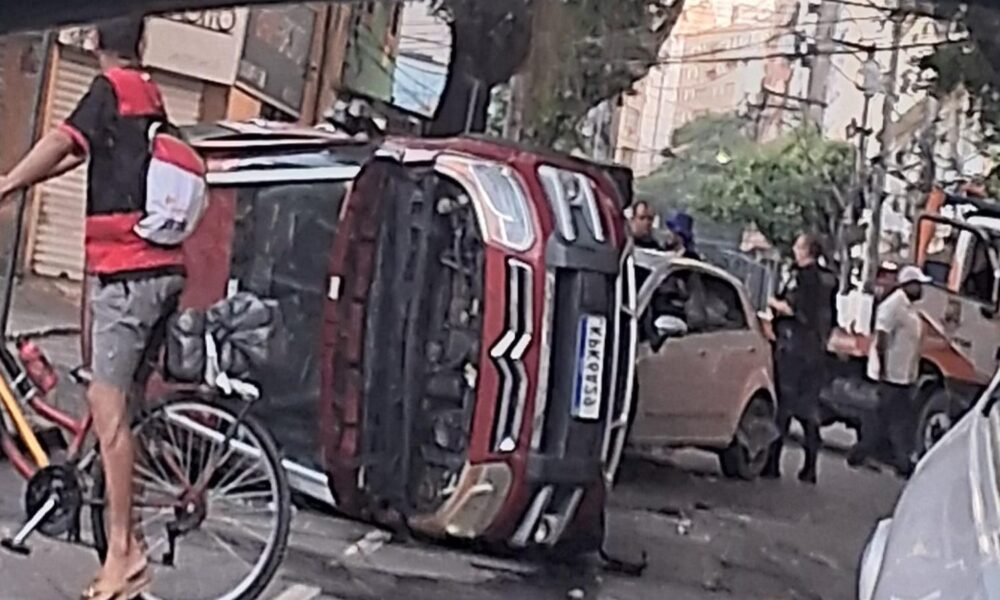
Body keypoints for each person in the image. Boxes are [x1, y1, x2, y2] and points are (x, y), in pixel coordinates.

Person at [0, 17, 184, 599]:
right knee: (123, 416)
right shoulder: (148, 95)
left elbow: (61, 140)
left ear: (91, 41)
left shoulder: (111, 89)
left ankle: (124, 556)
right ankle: (129, 546)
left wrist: (4, 185)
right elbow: (74, 155)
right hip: (162, 272)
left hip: (127, 274)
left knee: (107, 412)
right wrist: (21, 183)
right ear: (142, 43)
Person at [763, 233, 837, 484]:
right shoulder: (829, 280)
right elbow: (830, 317)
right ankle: (810, 466)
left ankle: (772, 463)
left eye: (798, 246)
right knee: (808, 408)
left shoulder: (801, 277)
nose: (794, 250)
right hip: (816, 349)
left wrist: (772, 302)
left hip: (793, 346)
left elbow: (793, 308)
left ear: (807, 251)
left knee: (784, 405)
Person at [851, 265, 931, 476]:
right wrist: (883, 370)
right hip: (890, 375)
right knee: (887, 420)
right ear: (908, 285)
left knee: (892, 419)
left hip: (903, 375)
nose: (921, 289)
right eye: (917, 285)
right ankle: (868, 454)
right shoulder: (893, 305)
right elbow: (882, 338)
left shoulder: (910, 308)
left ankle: (886, 457)